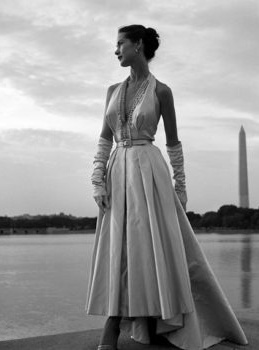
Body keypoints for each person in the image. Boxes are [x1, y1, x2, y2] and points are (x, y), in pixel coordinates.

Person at [85, 24, 248, 350]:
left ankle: (137, 323)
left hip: (150, 175)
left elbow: (173, 144)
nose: (116, 50)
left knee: (149, 250)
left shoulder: (162, 92)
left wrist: (181, 186)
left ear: (138, 45)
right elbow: (104, 139)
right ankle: (116, 323)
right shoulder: (112, 90)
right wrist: (97, 179)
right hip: (118, 173)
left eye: (120, 44)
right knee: (120, 248)